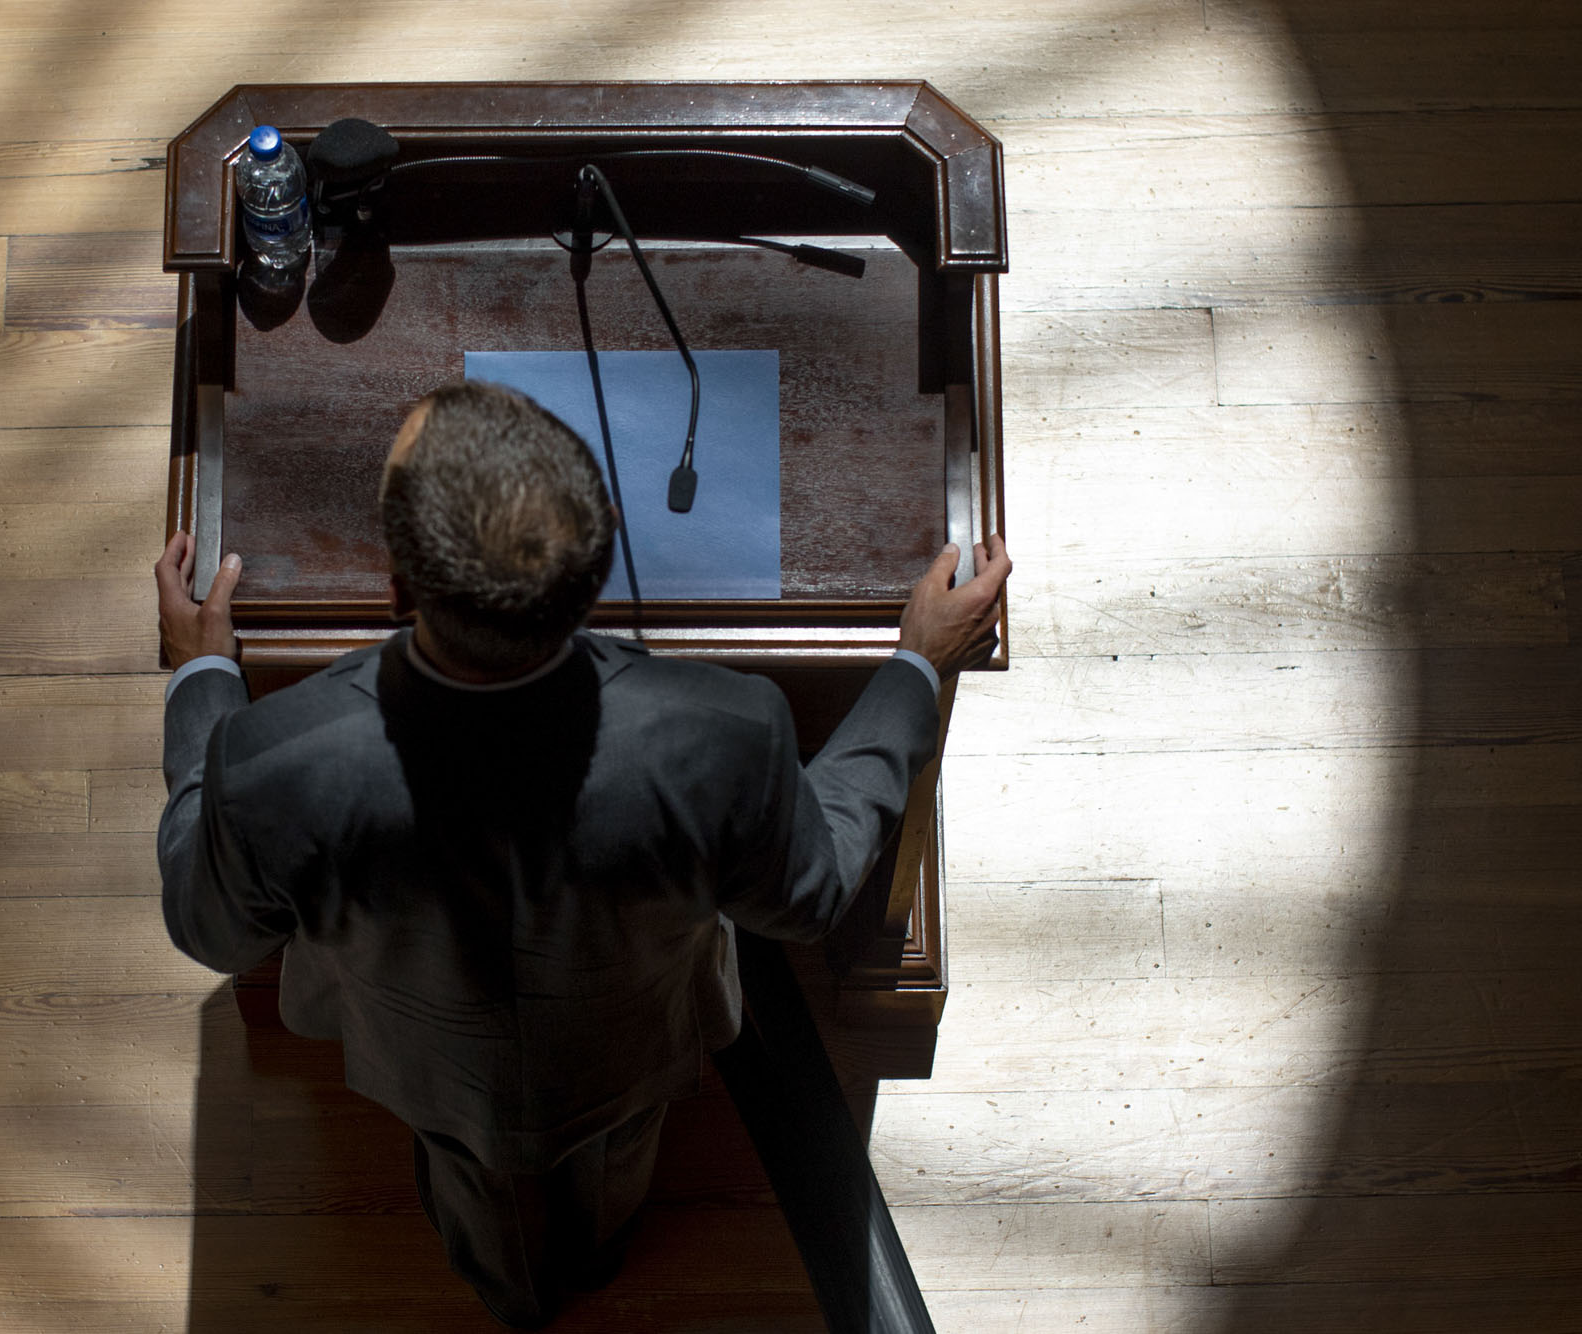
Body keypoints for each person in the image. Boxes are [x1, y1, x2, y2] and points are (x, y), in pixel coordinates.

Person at [153, 380, 1010, 1327]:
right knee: (619, 1163)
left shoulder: (273, 761)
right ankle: (598, 1252)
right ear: (602, 550)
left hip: (421, 1061)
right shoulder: (726, 734)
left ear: (396, 587)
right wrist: (915, 670)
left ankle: (503, 1289)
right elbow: (809, 894)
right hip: (633, 1045)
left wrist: (202, 681)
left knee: (468, 1188)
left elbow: (209, 926)